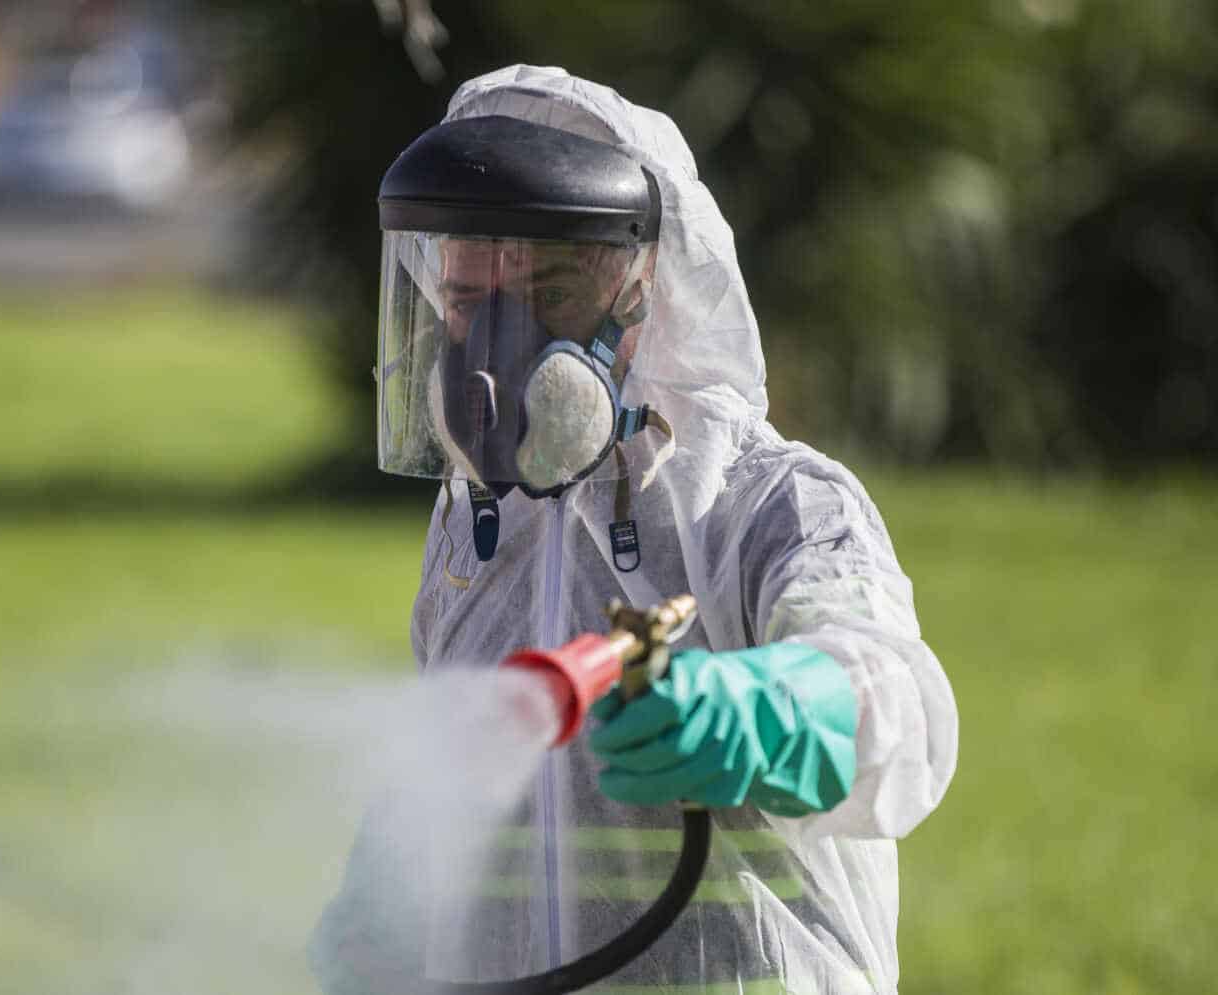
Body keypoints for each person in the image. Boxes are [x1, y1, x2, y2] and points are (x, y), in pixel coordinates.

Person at [313, 65, 958, 994]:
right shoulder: (476, 531)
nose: (494, 353)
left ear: (644, 291)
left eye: (551, 295)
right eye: (466, 300)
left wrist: (771, 713)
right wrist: (380, 909)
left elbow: (901, 706)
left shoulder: (767, 503)